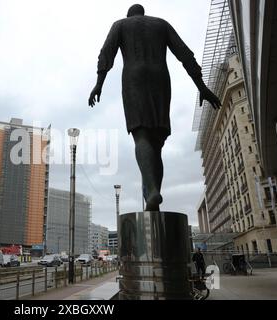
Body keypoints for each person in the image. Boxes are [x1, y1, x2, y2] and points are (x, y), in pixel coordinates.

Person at [89, 4, 221, 211]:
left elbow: (106, 54)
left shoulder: (120, 25)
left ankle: (151, 192)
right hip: (160, 79)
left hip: (134, 79)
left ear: (129, 14)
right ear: (143, 13)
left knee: (141, 136)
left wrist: (99, 84)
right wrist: (202, 87)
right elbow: (185, 54)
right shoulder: (161, 25)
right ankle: (153, 196)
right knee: (156, 143)